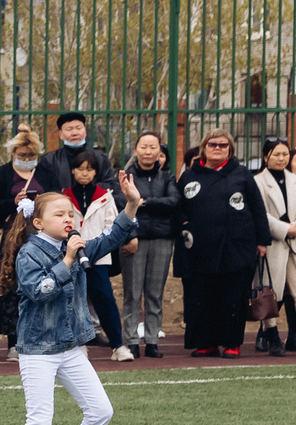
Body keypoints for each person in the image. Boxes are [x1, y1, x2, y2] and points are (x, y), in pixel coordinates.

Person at [0, 179, 142, 425]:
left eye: (71, 214)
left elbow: (112, 238)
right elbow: (39, 290)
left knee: (101, 411)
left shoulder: (75, 245)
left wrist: (131, 205)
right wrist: (67, 259)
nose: (69, 219)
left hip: (70, 348)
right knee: (39, 424)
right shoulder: (30, 252)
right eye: (59, 214)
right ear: (38, 222)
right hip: (37, 350)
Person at [174, 129, 271, 356]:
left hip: (236, 247)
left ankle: (231, 343)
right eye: (212, 144)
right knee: (202, 297)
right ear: (203, 148)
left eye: (223, 145)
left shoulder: (242, 174)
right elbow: (177, 207)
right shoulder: (189, 176)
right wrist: (183, 221)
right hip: (200, 249)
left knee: (233, 296)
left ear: (230, 149)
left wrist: (262, 241)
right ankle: (206, 342)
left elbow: (258, 208)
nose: (217, 148)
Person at [117, 133, 181, 359]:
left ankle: (152, 340)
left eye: (152, 147)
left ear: (159, 151)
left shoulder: (167, 177)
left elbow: (173, 201)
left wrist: (144, 202)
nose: (148, 151)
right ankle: (132, 340)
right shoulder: (127, 177)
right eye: (143, 146)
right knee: (132, 294)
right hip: (135, 241)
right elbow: (122, 204)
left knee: (155, 294)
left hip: (162, 240)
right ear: (136, 150)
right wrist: (130, 235)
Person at [0, 126, 45, 356]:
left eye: (31, 156)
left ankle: (39, 337)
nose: (27, 160)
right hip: (11, 240)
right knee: (11, 288)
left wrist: (42, 202)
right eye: (22, 156)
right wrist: (13, 201)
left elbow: (58, 195)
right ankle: (14, 341)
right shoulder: (2, 174)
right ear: (13, 154)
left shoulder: (44, 172)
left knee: (41, 287)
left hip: (40, 239)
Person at [67, 151, 128, 357]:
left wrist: (96, 246)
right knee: (75, 300)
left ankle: (118, 345)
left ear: (96, 172)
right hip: (72, 257)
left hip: (98, 257)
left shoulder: (105, 195)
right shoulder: (64, 195)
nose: (85, 173)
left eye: (90, 169)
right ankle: (79, 344)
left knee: (104, 298)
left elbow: (111, 225)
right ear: (73, 170)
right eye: (81, 169)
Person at [256, 138, 294, 355]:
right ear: (266, 157)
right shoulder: (258, 182)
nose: (281, 158)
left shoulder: (294, 180)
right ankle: (272, 336)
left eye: (285, 154)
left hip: (294, 245)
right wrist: (286, 229)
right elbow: (261, 215)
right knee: (272, 293)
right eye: (277, 154)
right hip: (274, 244)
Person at [31, 111, 95, 199]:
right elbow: (45, 190)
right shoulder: (49, 159)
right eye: (69, 129)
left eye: (78, 128)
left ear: (85, 131)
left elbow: (109, 184)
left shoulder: (99, 158)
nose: (75, 133)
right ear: (60, 135)